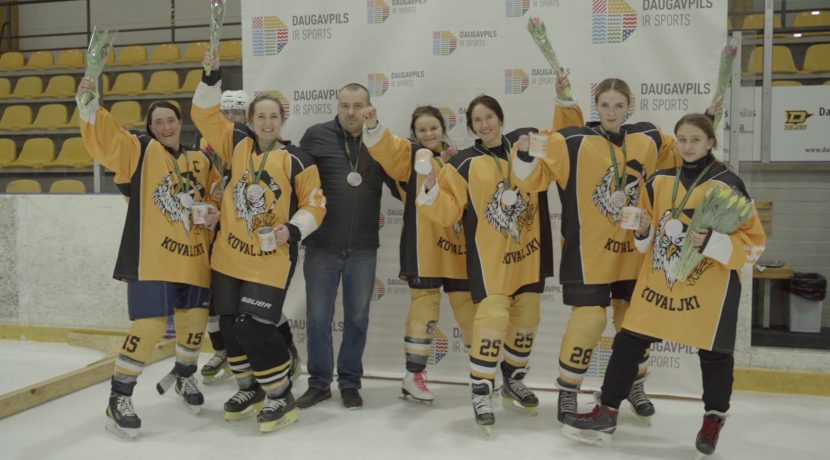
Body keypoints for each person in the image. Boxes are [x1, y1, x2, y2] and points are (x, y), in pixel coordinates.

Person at [561, 114, 766, 457]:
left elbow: (754, 247)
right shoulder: (658, 181)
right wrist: (643, 230)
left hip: (709, 289)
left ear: (710, 142)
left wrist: (712, 242)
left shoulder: (728, 185)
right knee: (628, 341)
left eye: (695, 140)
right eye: (682, 139)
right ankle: (608, 411)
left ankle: (713, 420)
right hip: (660, 285)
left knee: (715, 354)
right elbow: (647, 241)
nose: (687, 146)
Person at [512, 75, 712, 424]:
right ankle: (568, 390)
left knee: (634, 321)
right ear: (596, 106)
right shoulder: (571, 141)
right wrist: (525, 150)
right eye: (605, 105)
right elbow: (528, 176)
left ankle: (633, 385)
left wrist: (710, 119)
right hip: (587, 253)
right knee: (589, 319)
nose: (611, 112)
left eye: (619, 105)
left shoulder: (648, 137)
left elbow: (686, 153)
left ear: (629, 106)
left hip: (635, 251)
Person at [76, 78, 220, 439]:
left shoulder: (201, 160)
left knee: (194, 320)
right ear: (150, 128)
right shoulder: (140, 151)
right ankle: (119, 397)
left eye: (170, 120)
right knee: (150, 326)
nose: (165, 127)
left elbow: (217, 198)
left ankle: (184, 377)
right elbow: (108, 139)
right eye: (158, 122)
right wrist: (88, 103)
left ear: (180, 123)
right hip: (151, 257)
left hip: (194, 256)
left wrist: (213, 213)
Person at [192, 53, 326, 432]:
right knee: (229, 325)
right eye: (261, 116)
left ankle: (280, 395)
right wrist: (211, 76)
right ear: (250, 120)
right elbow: (203, 115)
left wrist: (292, 230)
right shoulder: (236, 143)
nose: (267, 122)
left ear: (282, 120)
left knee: (253, 326)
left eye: (273, 116)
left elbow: (316, 204)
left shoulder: (297, 158)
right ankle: (249, 388)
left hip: (270, 257)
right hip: (228, 256)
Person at [416, 95, 554, 433]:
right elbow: (449, 211)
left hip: (528, 255)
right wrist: (431, 186)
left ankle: (513, 379)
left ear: (500, 119)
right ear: (471, 127)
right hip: (490, 261)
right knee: (491, 322)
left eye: (489, 117)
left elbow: (549, 172)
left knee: (528, 320)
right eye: (477, 120)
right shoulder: (463, 163)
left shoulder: (524, 147)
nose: (484, 125)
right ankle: (480, 392)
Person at [361, 105, 476, 403]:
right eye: (422, 129)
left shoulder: (459, 158)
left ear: (443, 129)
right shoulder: (411, 156)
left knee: (469, 309)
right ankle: (413, 376)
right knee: (424, 309)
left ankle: (483, 374)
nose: (428, 134)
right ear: (414, 133)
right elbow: (387, 148)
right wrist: (373, 125)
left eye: (433, 128)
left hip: (457, 245)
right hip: (423, 245)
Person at [294, 83, 395, 411]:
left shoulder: (380, 140)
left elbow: (401, 183)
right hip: (322, 246)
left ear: (369, 107)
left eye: (358, 106)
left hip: (363, 248)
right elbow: (296, 182)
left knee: (358, 318)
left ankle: (350, 382)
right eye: (345, 105)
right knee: (318, 318)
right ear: (337, 106)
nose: (351, 112)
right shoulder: (316, 136)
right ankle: (319, 383)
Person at [197, 89, 301, 386]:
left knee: (255, 314)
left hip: (263, 244)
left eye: (237, 112)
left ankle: (283, 356)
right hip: (222, 239)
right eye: (226, 112)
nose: (231, 117)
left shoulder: (256, 146)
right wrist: (215, 206)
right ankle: (227, 354)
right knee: (223, 312)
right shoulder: (209, 144)